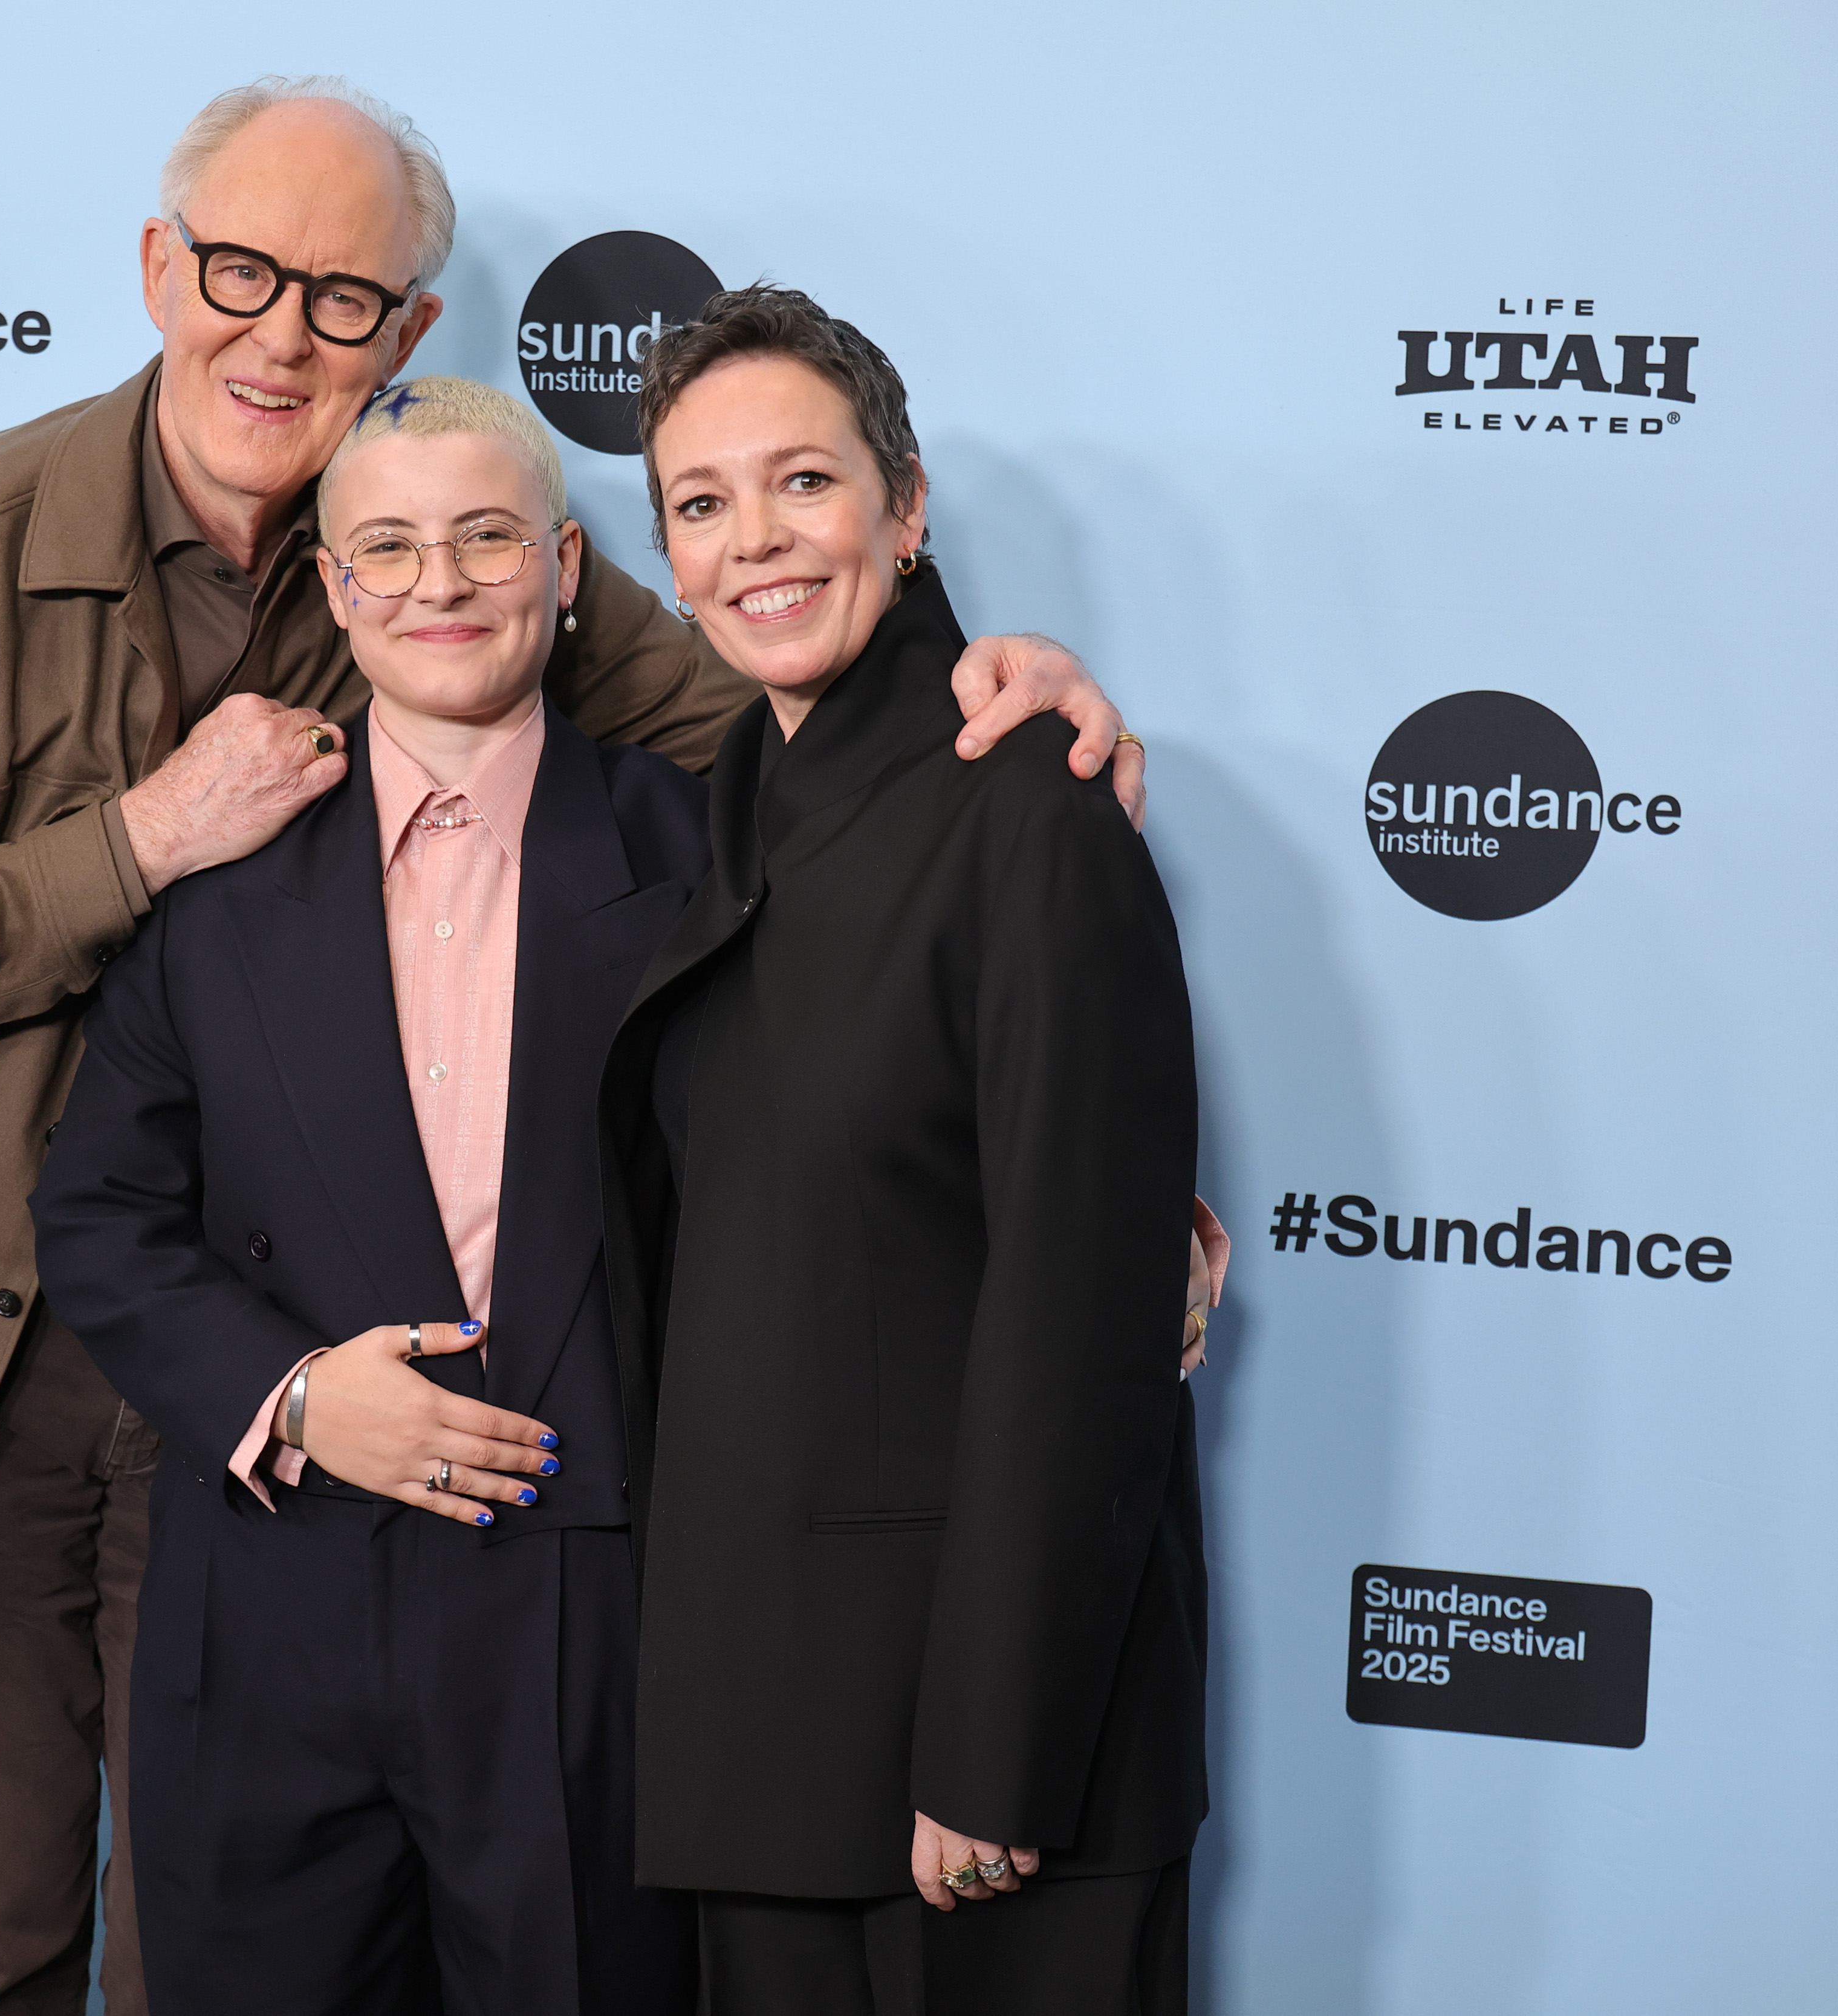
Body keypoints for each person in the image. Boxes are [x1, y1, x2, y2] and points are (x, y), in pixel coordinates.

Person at [0, 76, 1138, 2015]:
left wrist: (986, 682)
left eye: (348, 297)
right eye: (243, 270)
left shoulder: (453, 540)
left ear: (411, 336)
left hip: (281, 1448)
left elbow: (787, 689)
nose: (284, 330)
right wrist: (140, 840)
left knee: (194, 1957)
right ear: (161, 270)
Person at [31, 377, 704, 2014]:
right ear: (334, 591)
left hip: (585, 1594)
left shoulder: (703, 851)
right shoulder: (224, 875)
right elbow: (102, 1208)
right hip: (269, 1602)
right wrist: (295, 1394)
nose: (440, 584)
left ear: (561, 566)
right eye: (388, 547)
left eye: (486, 538)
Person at [597, 287, 1209, 2015]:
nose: (753, 543)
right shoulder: (731, 794)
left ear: (909, 507)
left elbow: (1083, 1308)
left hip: (981, 1775)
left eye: (804, 483)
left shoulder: (1027, 804)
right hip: (765, 1742)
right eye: (701, 507)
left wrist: (998, 1754)